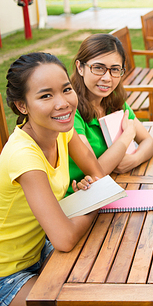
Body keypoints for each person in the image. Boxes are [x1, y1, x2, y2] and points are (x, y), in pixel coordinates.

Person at [0, 52, 105, 306]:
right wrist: (92, 202)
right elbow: (64, 238)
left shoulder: (60, 131)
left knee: (104, 275)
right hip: (7, 273)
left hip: (39, 249)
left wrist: (91, 192)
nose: (63, 103)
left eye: (66, 89)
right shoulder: (24, 157)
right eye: (46, 95)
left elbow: (98, 176)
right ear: (22, 106)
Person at [67, 33, 153, 196]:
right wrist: (128, 134)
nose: (107, 78)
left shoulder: (114, 101)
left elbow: (148, 141)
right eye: (98, 68)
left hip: (113, 184)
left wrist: (134, 160)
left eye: (115, 70)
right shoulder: (70, 111)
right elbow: (96, 171)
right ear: (80, 67)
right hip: (79, 196)